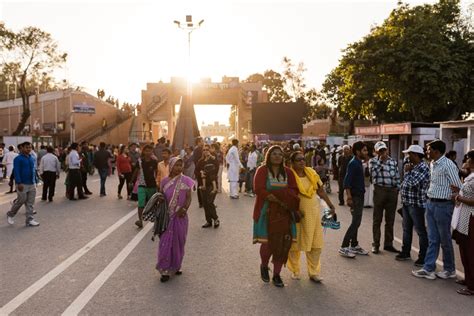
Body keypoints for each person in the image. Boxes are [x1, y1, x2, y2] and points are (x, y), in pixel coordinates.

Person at [412, 140, 462, 280]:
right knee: (433, 238)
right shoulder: (433, 164)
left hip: (443, 206)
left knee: (444, 238)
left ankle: (449, 269)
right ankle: (429, 268)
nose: (426, 152)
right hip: (431, 203)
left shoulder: (448, 165)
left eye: (428, 149)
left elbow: (458, 186)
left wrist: (453, 201)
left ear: (436, 151)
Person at [253, 145, 299, 288]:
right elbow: (258, 188)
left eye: (280, 154)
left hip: (284, 211)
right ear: (268, 155)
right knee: (267, 243)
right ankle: (264, 265)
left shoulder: (288, 172)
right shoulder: (262, 170)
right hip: (266, 211)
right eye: (274, 154)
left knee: (282, 244)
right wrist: (270, 196)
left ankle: (277, 275)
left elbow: (294, 189)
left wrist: (281, 197)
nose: (277, 156)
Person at [287, 151, 336, 283]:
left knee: (316, 244)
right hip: (297, 215)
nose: (302, 162)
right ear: (292, 163)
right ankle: (295, 270)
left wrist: (331, 205)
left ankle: (314, 272)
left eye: (303, 159)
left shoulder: (312, 173)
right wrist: (294, 210)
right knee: (294, 244)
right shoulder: (289, 176)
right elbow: (286, 196)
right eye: (298, 160)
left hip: (313, 213)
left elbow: (320, 190)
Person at [157, 157, 194, 282]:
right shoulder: (164, 182)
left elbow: (189, 198)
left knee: (179, 242)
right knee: (165, 242)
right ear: (171, 166)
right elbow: (160, 197)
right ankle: (165, 270)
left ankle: (177, 266)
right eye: (176, 165)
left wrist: (184, 209)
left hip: (180, 217)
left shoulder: (187, 181)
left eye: (181, 165)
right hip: (167, 217)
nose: (179, 168)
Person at [396, 145, 430, 266]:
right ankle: (405, 252)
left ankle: (423, 257)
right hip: (407, 202)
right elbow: (405, 183)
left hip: (416, 204)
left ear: (415, 155)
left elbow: (413, 184)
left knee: (420, 231)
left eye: (409, 154)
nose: (407, 156)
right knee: (406, 229)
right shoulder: (412, 166)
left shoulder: (423, 167)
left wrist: (408, 172)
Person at [369, 141, 401, 254]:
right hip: (380, 190)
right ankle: (375, 244)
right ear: (377, 152)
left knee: (390, 220)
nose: (383, 152)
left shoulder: (393, 161)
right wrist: (380, 162)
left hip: (392, 191)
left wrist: (397, 188)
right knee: (377, 219)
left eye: (384, 150)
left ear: (387, 150)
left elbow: (397, 176)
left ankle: (388, 244)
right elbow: (373, 175)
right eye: (380, 151)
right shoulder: (373, 162)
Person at [339, 141, 369, 258]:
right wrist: (349, 197)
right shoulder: (353, 163)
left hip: (359, 196)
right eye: (364, 150)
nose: (366, 152)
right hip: (355, 197)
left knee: (356, 222)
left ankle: (354, 245)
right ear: (358, 151)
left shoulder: (358, 162)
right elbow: (347, 182)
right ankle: (344, 247)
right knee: (356, 222)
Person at [451, 149, 474, 295]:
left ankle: (472, 287)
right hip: (464, 219)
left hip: (471, 218)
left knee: (471, 252)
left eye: (467, 158)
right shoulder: (470, 176)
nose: (464, 160)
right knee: (464, 250)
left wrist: (459, 198)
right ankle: (468, 279)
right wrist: (459, 190)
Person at [6, 142, 40, 227]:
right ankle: (10, 214)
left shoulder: (32, 158)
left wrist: (36, 181)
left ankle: (29, 220)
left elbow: (34, 170)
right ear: (22, 148)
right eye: (26, 147)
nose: (28, 149)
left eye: (30, 148)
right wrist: (18, 182)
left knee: (30, 203)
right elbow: (16, 171)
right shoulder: (18, 159)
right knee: (21, 200)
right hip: (22, 184)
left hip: (32, 183)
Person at [132, 144, 158, 229]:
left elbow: (157, 173)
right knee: (141, 204)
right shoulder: (139, 161)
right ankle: (140, 220)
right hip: (142, 185)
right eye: (146, 150)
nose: (148, 152)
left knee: (153, 204)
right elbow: (136, 171)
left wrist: (158, 184)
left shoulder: (154, 162)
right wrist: (131, 181)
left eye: (150, 150)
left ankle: (156, 220)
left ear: (152, 152)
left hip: (152, 186)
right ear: (143, 151)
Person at [195, 144, 220, 228]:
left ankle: (216, 219)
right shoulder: (200, 161)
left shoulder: (213, 159)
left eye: (207, 149)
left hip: (212, 185)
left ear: (210, 150)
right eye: (204, 150)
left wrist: (212, 158)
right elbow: (196, 171)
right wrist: (200, 173)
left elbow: (216, 169)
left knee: (210, 202)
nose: (205, 151)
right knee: (205, 204)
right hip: (203, 185)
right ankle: (208, 221)